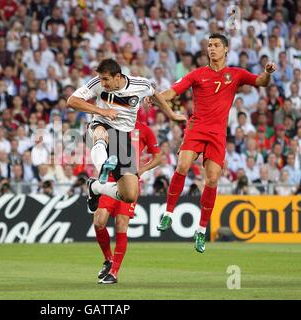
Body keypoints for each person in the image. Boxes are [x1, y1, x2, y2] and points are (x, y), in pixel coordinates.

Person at [157, 34, 276, 253]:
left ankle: (201, 230)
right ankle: (168, 214)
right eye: (209, 45)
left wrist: (267, 73)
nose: (211, 49)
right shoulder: (197, 74)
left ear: (226, 49)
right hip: (197, 127)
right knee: (182, 165)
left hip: (217, 133)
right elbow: (173, 91)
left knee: (212, 179)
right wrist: (156, 97)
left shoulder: (236, 74)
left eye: (216, 45)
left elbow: (260, 82)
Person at [67, 58, 184, 216]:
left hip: (122, 138)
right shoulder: (96, 83)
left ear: (118, 77)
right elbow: (72, 101)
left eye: (106, 79)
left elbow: (154, 94)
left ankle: (95, 187)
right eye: (101, 79)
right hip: (99, 125)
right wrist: (102, 112)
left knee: (129, 195)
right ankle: (103, 167)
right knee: (101, 133)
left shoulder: (140, 85)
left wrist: (171, 114)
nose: (102, 83)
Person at [94, 121, 161, 284]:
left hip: (129, 179)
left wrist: (142, 170)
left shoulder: (144, 129)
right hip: (110, 177)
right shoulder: (112, 124)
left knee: (121, 224)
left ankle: (114, 272)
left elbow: (158, 156)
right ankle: (108, 259)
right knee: (98, 221)